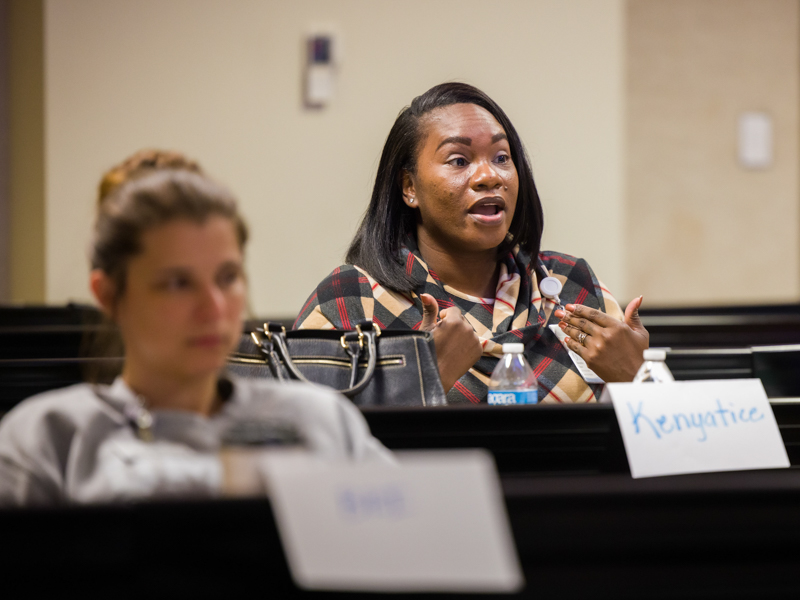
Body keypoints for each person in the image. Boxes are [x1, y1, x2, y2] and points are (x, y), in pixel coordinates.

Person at [0, 154, 390, 506]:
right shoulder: (48, 440)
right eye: (177, 283)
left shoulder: (321, 421)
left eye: (227, 277)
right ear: (109, 296)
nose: (214, 308)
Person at [295, 83, 649, 404]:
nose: (489, 176)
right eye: (459, 161)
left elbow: (664, 451)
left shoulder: (572, 286)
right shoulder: (353, 301)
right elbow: (311, 448)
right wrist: (423, 377)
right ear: (409, 187)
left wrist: (638, 378)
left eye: (501, 158)